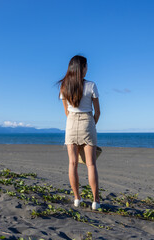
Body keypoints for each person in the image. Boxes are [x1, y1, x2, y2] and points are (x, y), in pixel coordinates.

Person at [58, 55, 101, 210]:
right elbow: (98, 112)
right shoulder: (91, 85)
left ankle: (77, 199)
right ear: (81, 68)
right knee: (91, 164)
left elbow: (66, 112)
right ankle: (95, 201)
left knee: (73, 163)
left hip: (71, 124)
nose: (87, 68)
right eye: (86, 66)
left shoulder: (64, 86)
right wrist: (90, 126)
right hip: (87, 121)